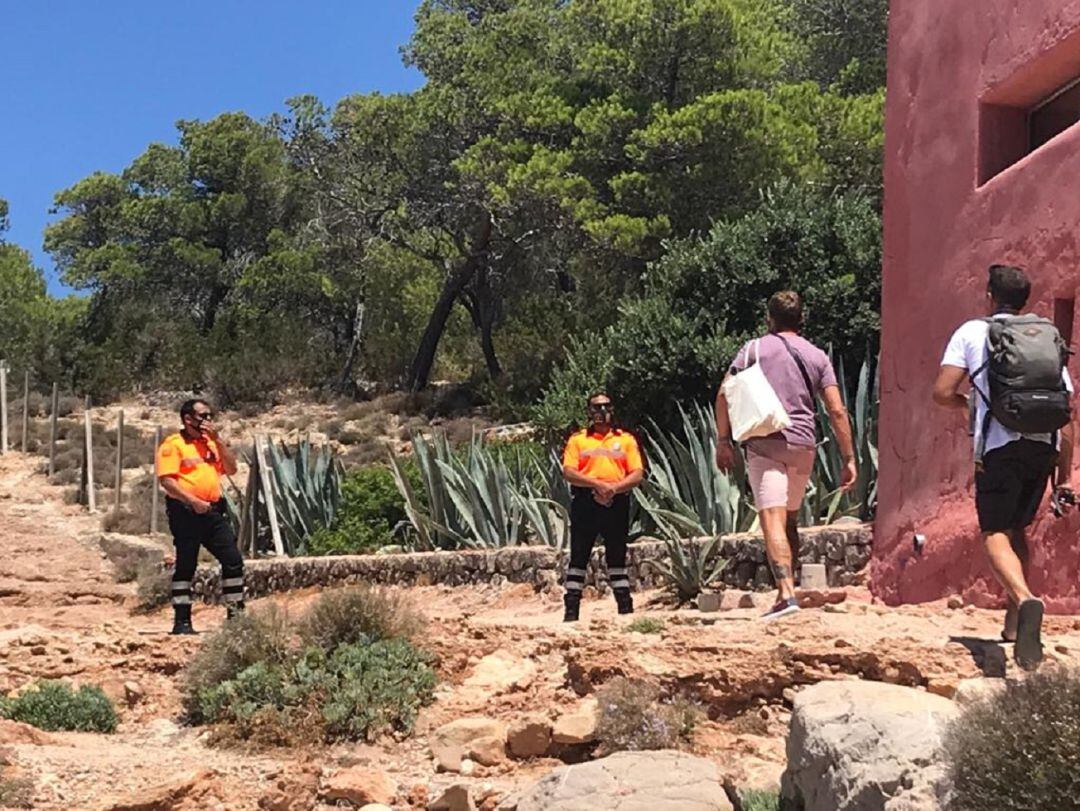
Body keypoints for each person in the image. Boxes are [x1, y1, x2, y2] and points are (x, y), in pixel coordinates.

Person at [933, 264, 1074, 670]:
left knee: (995, 531)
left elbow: (942, 391)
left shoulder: (973, 332)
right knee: (1019, 529)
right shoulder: (1044, 338)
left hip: (1000, 444)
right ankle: (1015, 627)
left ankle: (1026, 599)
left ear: (989, 296)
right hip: (1043, 445)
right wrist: (1064, 476)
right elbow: (1068, 410)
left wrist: (969, 405)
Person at [715, 291, 857, 620]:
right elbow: (836, 410)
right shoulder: (818, 356)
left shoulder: (753, 349)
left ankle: (786, 594)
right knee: (790, 516)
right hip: (804, 447)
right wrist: (849, 457)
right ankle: (789, 589)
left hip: (766, 445)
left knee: (771, 518)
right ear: (801, 319)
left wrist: (724, 440)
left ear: (770, 318)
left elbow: (724, 392)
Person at [156, 399, 244, 635]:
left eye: (209, 416)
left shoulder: (211, 443)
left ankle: (236, 619)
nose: (208, 420)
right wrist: (192, 501)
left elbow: (232, 469)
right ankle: (182, 622)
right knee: (186, 564)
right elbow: (167, 480)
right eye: (203, 416)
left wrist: (218, 441)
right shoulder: (173, 444)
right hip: (185, 512)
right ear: (188, 419)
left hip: (212, 510)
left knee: (233, 559)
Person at [561, 393, 645, 622]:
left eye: (606, 407)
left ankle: (625, 609)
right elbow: (568, 472)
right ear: (589, 411)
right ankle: (571, 612)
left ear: (612, 410)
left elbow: (637, 473)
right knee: (579, 556)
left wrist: (613, 489)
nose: (601, 411)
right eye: (596, 407)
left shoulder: (626, 439)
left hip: (616, 502)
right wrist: (597, 485)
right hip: (585, 502)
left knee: (617, 556)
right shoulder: (578, 440)